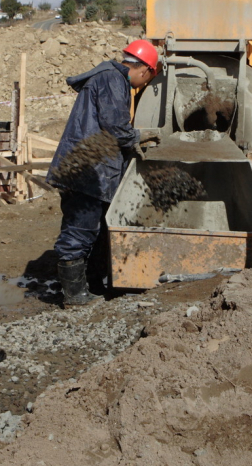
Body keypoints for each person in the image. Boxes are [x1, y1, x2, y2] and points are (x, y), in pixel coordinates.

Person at [48, 40, 160, 306]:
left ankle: (88, 287)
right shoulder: (113, 80)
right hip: (86, 169)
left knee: (92, 231)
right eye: (148, 77)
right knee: (80, 231)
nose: (144, 83)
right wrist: (140, 136)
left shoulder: (109, 78)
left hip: (88, 167)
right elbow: (115, 128)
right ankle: (75, 296)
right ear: (144, 69)